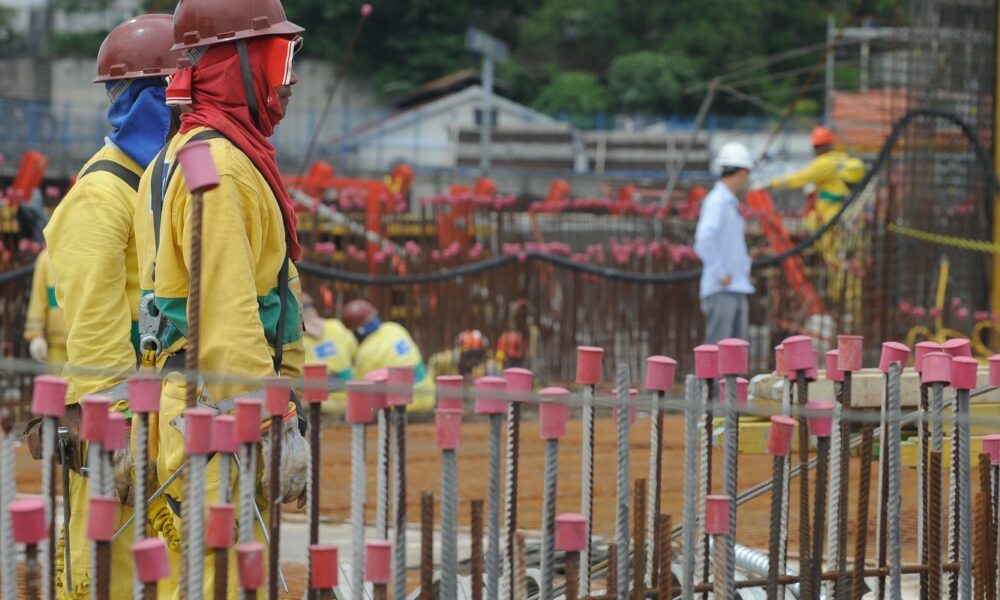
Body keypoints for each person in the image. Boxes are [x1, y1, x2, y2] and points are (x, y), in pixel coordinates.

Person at [133, 0, 309, 594]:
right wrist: (274, 421)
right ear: (239, 65)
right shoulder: (221, 169)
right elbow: (227, 311)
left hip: (201, 410)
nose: (289, 84)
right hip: (216, 418)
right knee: (220, 584)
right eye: (279, 62)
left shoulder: (186, 154)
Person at [42, 14, 183, 598]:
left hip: (163, 414)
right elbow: (94, 324)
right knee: (109, 574)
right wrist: (117, 423)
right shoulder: (103, 194)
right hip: (123, 426)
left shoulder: (161, 183)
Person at [694, 142, 755, 344]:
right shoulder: (717, 201)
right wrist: (720, 272)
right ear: (742, 172)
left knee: (737, 350)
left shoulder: (728, 201)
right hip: (721, 288)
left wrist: (743, 268)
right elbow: (704, 239)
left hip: (735, 285)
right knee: (719, 349)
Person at [342, 299, 435, 411]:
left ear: (358, 332)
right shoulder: (394, 328)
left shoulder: (366, 353)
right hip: (428, 396)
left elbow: (360, 392)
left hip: (402, 406)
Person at [768, 126, 865, 232]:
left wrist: (772, 183)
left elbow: (799, 178)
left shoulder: (822, 163)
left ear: (816, 146)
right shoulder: (841, 157)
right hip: (848, 212)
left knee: (815, 226)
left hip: (830, 215)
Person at [301, 292, 357, 411]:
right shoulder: (336, 326)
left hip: (316, 404)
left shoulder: (295, 338)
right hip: (348, 400)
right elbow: (354, 352)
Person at [24, 248, 67, 368]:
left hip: (86, 346)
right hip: (56, 346)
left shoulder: (89, 253)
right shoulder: (45, 259)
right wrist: (36, 336)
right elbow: (38, 301)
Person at [428, 329, 502, 380]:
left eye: (476, 355)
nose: (471, 361)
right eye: (468, 355)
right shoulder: (444, 360)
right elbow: (433, 361)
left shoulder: (491, 366)